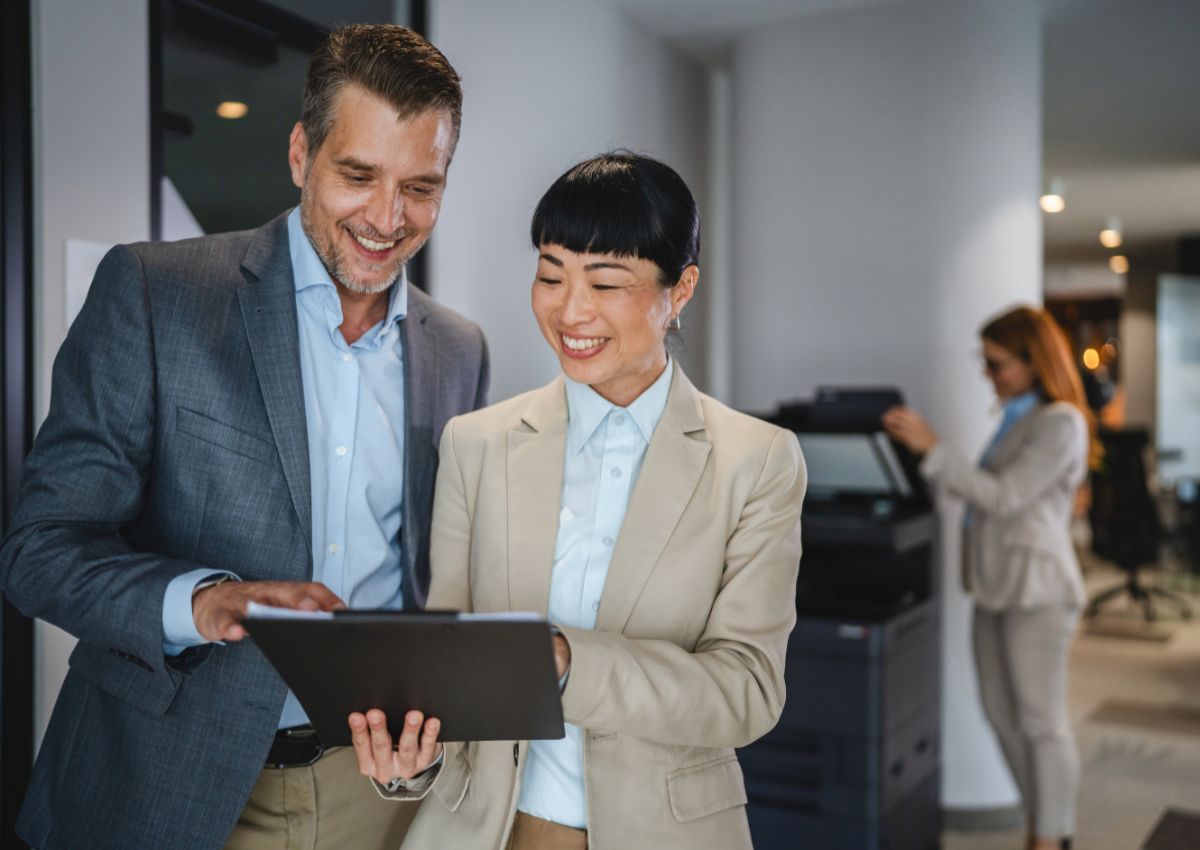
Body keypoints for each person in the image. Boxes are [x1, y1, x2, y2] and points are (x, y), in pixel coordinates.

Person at [0, 24, 488, 850]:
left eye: (420, 187)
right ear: (301, 155)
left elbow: (427, 577)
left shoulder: (459, 349)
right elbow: (39, 552)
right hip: (161, 782)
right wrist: (205, 600)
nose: (385, 217)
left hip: (372, 797)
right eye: (358, 175)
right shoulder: (156, 293)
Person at [347, 152, 807, 850]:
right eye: (551, 274)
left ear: (680, 290)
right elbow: (447, 674)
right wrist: (415, 759)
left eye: (606, 282)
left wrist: (563, 661)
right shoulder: (477, 443)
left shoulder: (757, 460)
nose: (570, 310)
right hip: (486, 832)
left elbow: (746, 690)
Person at [882, 305, 1097, 850]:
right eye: (985, 361)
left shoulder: (1060, 422)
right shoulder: (1017, 419)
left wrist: (934, 448)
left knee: (1041, 722)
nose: (988, 373)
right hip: (994, 584)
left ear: (1033, 360)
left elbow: (1002, 497)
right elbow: (978, 490)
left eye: (997, 363)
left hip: (1039, 591)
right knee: (1001, 716)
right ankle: (1042, 821)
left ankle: (1050, 836)